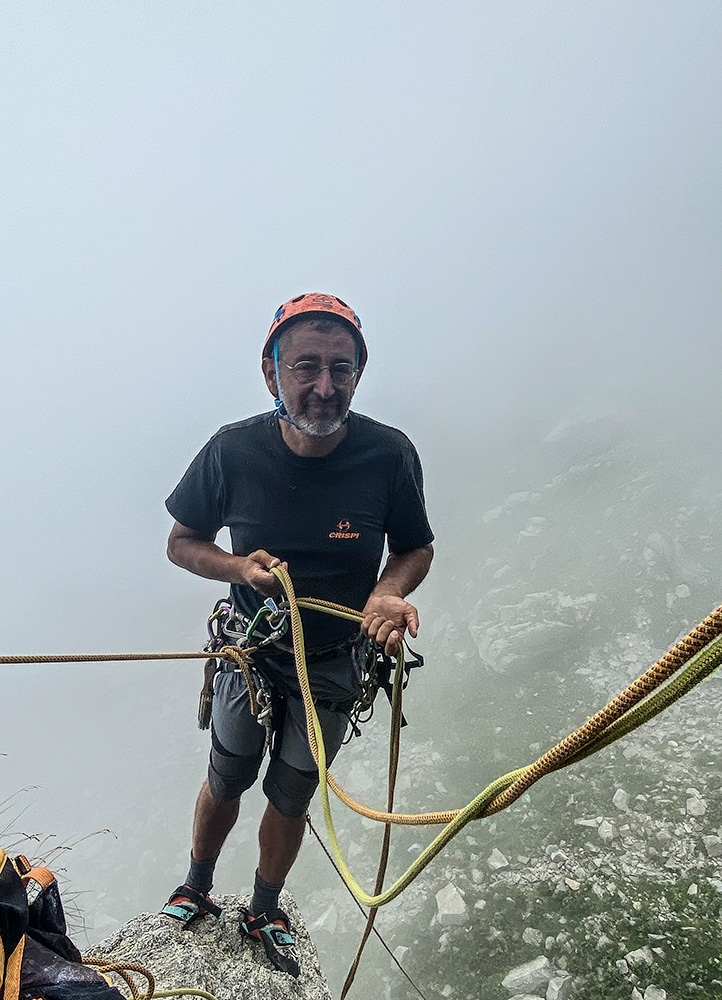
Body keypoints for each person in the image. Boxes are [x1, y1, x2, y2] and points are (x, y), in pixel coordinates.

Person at [162, 292, 434, 976]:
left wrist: (387, 590)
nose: (323, 387)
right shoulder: (232, 452)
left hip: (336, 662)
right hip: (252, 654)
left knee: (292, 790)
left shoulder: (387, 455)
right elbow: (183, 541)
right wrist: (235, 567)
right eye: (305, 367)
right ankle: (197, 887)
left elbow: (415, 547)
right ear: (270, 371)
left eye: (340, 369)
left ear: (358, 374)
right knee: (227, 777)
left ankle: (263, 905)